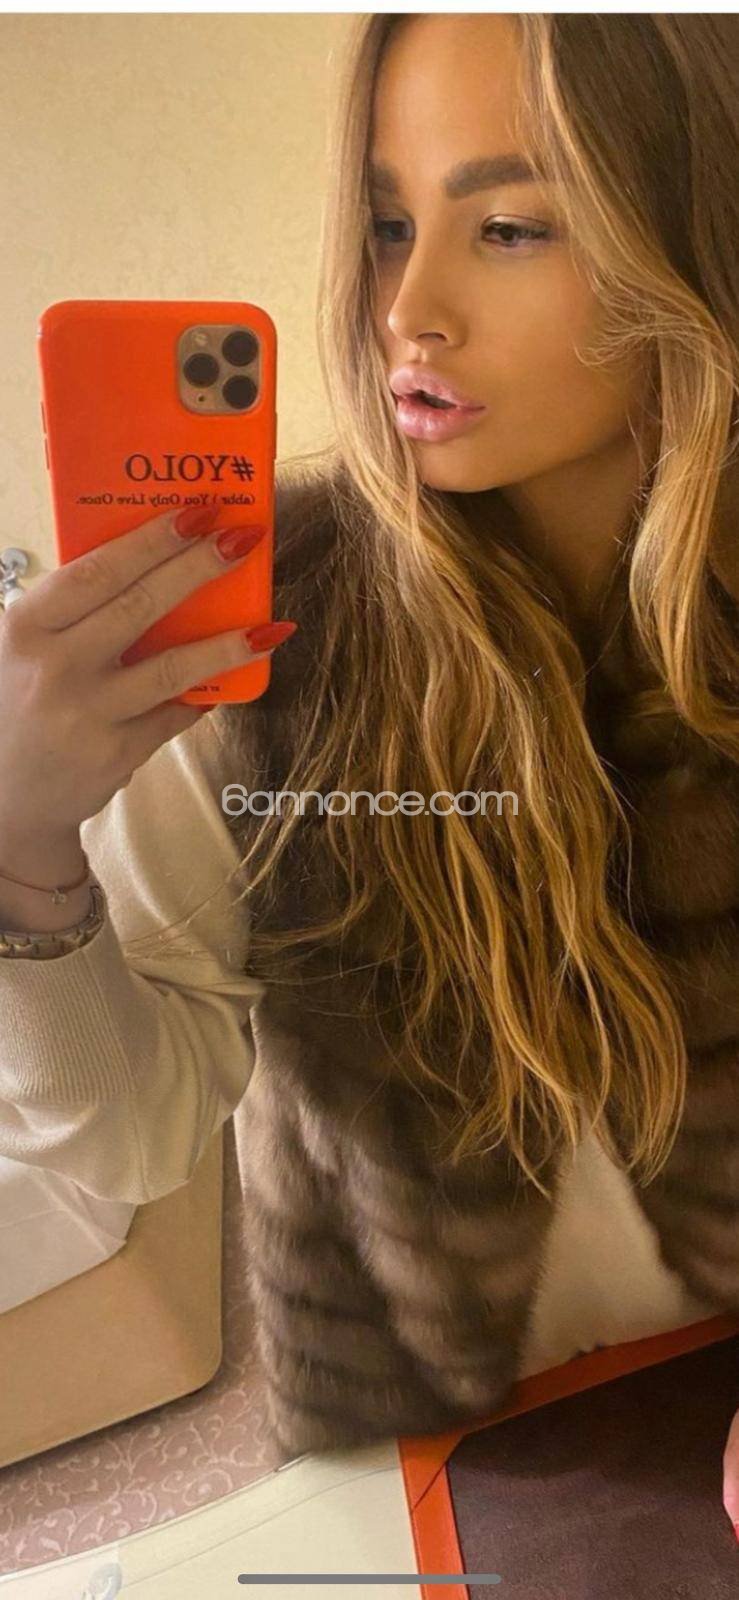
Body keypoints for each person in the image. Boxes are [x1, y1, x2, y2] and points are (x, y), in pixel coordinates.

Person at [1, 12, 738, 1535]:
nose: (410, 309)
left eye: (511, 227)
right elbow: (137, 1138)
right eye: (389, 224)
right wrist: (22, 849)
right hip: (443, 1427)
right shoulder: (257, 631)